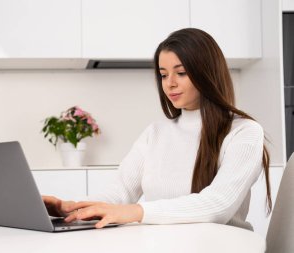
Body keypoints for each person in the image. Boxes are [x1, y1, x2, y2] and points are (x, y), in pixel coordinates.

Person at [43, 28, 272, 231]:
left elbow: (218, 204)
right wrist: (74, 209)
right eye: (163, 74)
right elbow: (120, 193)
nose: (169, 83)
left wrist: (137, 212)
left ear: (207, 73)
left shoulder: (244, 132)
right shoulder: (155, 133)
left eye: (180, 73)